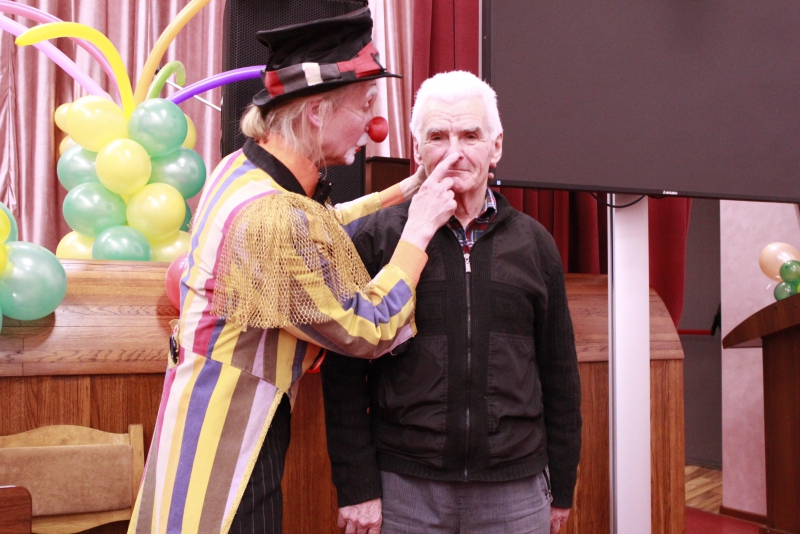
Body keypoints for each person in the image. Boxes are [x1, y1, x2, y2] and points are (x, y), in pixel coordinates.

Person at [128, 9, 459, 534]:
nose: (374, 126)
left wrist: (407, 188)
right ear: (317, 113)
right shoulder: (270, 217)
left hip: (211, 424)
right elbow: (364, 328)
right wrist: (416, 233)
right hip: (228, 452)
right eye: (365, 106)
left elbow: (320, 226)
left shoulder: (243, 170)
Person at [322, 71, 582, 534]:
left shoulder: (535, 244)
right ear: (417, 148)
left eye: (470, 136)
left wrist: (561, 485)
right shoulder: (377, 239)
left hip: (516, 491)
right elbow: (343, 378)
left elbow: (559, 373)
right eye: (438, 136)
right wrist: (356, 486)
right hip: (404, 490)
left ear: (495, 147)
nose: (454, 152)